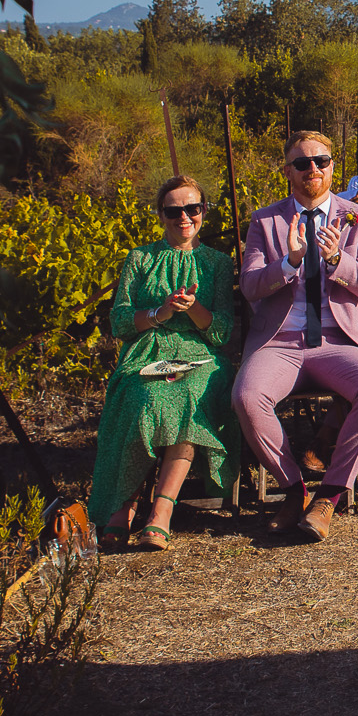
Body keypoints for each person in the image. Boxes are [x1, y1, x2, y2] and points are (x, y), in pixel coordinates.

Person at [233, 131, 358, 544]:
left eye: (321, 161)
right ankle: (293, 489)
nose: (313, 170)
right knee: (247, 398)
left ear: (333, 167)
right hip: (281, 342)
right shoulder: (264, 221)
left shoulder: (356, 217)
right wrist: (290, 262)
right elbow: (250, 286)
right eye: (302, 163)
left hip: (339, 340)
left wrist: (337, 259)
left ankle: (329, 496)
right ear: (288, 171)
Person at [87, 177, 239, 552]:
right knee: (144, 400)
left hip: (199, 353)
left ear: (204, 211)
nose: (184, 217)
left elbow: (221, 332)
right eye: (174, 211)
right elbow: (121, 322)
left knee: (189, 396)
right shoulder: (141, 258)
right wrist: (161, 311)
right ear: (161, 215)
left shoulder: (218, 263)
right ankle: (123, 503)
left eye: (192, 209)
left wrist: (194, 310)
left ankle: (161, 512)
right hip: (147, 350)